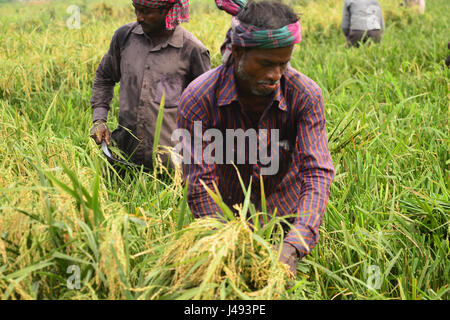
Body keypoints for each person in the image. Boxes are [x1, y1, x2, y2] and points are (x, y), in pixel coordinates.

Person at [176, 0, 334, 277]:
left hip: (284, 217)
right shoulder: (199, 98)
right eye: (266, 64)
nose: (275, 76)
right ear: (237, 51)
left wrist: (294, 244)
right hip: (224, 216)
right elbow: (200, 182)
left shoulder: (305, 95)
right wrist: (226, 244)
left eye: (283, 64)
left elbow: (316, 172)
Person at [90, 0, 210, 170]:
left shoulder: (192, 50)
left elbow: (207, 109)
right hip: (123, 159)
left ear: (168, 11)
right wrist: (99, 119)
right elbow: (104, 77)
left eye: (146, 12)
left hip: (171, 168)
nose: (139, 18)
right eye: (136, 10)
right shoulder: (124, 37)